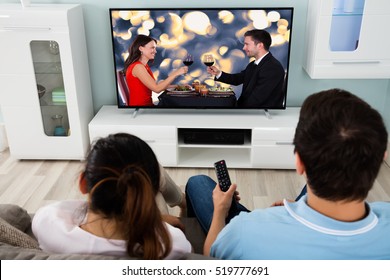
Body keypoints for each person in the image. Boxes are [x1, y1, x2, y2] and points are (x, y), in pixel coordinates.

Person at [186, 88, 390, 259]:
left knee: (198, 183)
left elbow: (210, 259)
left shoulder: (244, 231)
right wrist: (297, 208)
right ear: (382, 157)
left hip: (258, 234)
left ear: (299, 163)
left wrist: (221, 210)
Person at [32, 133, 192, 259]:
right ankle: (182, 202)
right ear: (144, 194)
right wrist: (158, 218)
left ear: (83, 183)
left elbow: (74, 210)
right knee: (153, 170)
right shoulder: (173, 245)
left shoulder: (47, 223)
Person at [207, 29, 285, 108]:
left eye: (247, 44)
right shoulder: (253, 64)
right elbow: (237, 79)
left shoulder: (272, 68)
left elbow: (257, 100)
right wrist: (218, 73)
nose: (244, 48)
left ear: (260, 46)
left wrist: (234, 108)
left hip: (258, 116)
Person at [122, 34, 188, 106]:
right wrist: (175, 73)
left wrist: (179, 87)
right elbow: (157, 89)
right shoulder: (138, 67)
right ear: (141, 48)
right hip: (143, 108)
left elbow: (156, 85)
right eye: (152, 48)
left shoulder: (144, 66)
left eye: (155, 48)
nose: (155, 51)